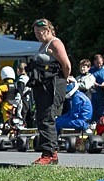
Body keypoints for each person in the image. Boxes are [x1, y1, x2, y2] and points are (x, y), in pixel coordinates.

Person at [28, 18, 71, 165]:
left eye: (39, 32)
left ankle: (49, 154)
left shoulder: (55, 43)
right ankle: (50, 152)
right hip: (43, 86)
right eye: (35, 33)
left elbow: (66, 64)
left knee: (47, 117)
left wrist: (64, 79)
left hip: (53, 85)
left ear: (47, 30)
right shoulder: (43, 45)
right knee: (42, 118)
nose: (37, 35)